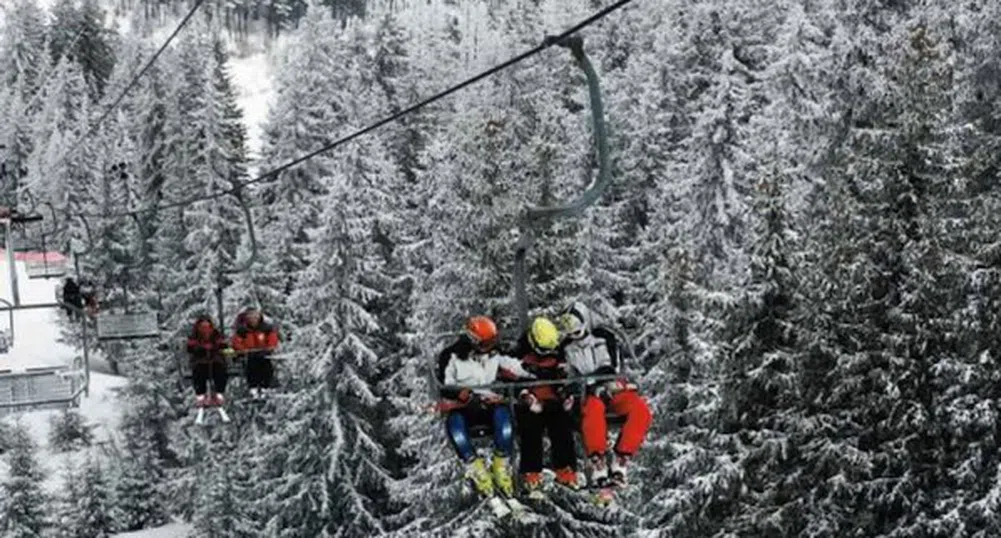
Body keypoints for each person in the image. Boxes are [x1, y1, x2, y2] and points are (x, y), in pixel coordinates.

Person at [437, 315, 534, 498]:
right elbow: (444, 384)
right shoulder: (452, 356)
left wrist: (533, 372)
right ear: (473, 340)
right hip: (463, 405)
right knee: (456, 427)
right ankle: (475, 467)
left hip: (488, 401)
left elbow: (514, 366)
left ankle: (501, 464)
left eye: (492, 341)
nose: (490, 346)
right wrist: (460, 393)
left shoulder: (494, 353)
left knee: (504, 421)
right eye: (486, 343)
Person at [558, 301, 652, 488]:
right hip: (587, 393)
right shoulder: (567, 348)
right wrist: (573, 389)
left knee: (640, 409)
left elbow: (611, 366)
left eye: (577, 331)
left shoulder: (604, 337)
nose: (575, 336)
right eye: (571, 333)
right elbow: (568, 375)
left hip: (611, 388)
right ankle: (597, 460)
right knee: (593, 408)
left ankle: (622, 457)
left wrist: (601, 382)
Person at [509, 316, 579, 495]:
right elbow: (512, 379)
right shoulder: (519, 357)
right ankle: (531, 472)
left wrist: (564, 392)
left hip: (552, 400)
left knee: (562, 426)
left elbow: (564, 376)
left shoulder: (557, 354)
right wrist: (525, 395)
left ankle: (565, 469)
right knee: (530, 427)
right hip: (530, 401)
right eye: (542, 351)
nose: (545, 354)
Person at [231, 307, 279, 398]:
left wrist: (268, 348)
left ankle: (265, 387)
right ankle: (253, 387)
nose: (253, 318)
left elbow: (272, 339)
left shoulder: (266, 328)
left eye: (255, 316)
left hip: (263, 353)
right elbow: (236, 342)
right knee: (252, 365)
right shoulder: (242, 330)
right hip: (249, 354)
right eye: (250, 316)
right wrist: (243, 350)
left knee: (266, 364)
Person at [186, 315, 233, 406]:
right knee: (199, 373)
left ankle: (219, 393)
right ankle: (201, 395)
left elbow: (223, 344)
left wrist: (218, 347)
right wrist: (200, 348)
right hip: (200, 360)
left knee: (220, 371)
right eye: (203, 326)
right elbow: (190, 347)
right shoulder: (195, 336)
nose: (205, 328)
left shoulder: (216, 334)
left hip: (215, 360)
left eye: (207, 326)